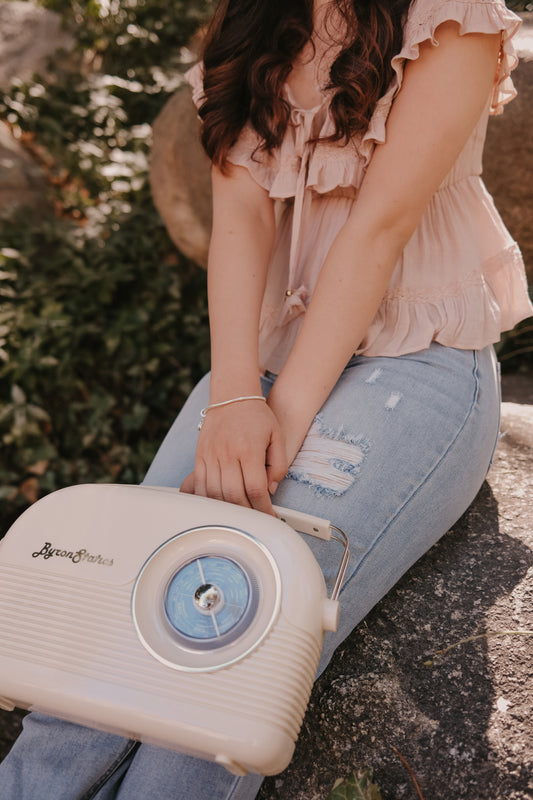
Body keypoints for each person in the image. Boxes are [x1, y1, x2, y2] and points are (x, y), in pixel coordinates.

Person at [1, 0, 532, 797]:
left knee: (231, 646)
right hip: (273, 356)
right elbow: (239, 220)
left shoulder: (450, 14)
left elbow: (379, 228)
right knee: (122, 601)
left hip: (414, 359)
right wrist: (234, 401)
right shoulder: (253, 17)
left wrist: (277, 422)